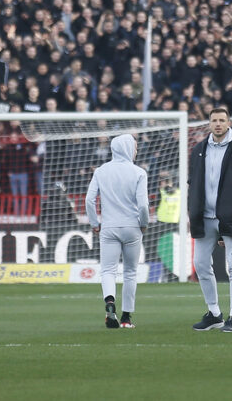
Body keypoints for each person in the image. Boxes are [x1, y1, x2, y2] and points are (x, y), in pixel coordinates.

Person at [188, 107, 232, 333]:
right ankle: (214, 312)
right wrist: (193, 210)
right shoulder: (199, 149)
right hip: (204, 217)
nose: (218, 124)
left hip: (230, 216)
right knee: (200, 264)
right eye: (214, 120)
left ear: (229, 123)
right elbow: (193, 182)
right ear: (208, 124)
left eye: (221, 120)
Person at [85, 134, 149, 329]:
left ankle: (110, 301)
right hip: (132, 227)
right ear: (128, 148)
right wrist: (143, 223)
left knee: (108, 271)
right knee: (130, 272)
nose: (136, 151)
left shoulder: (101, 171)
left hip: (109, 226)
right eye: (135, 147)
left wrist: (95, 223)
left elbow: (89, 200)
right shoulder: (139, 172)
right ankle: (126, 318)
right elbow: (143, 205)